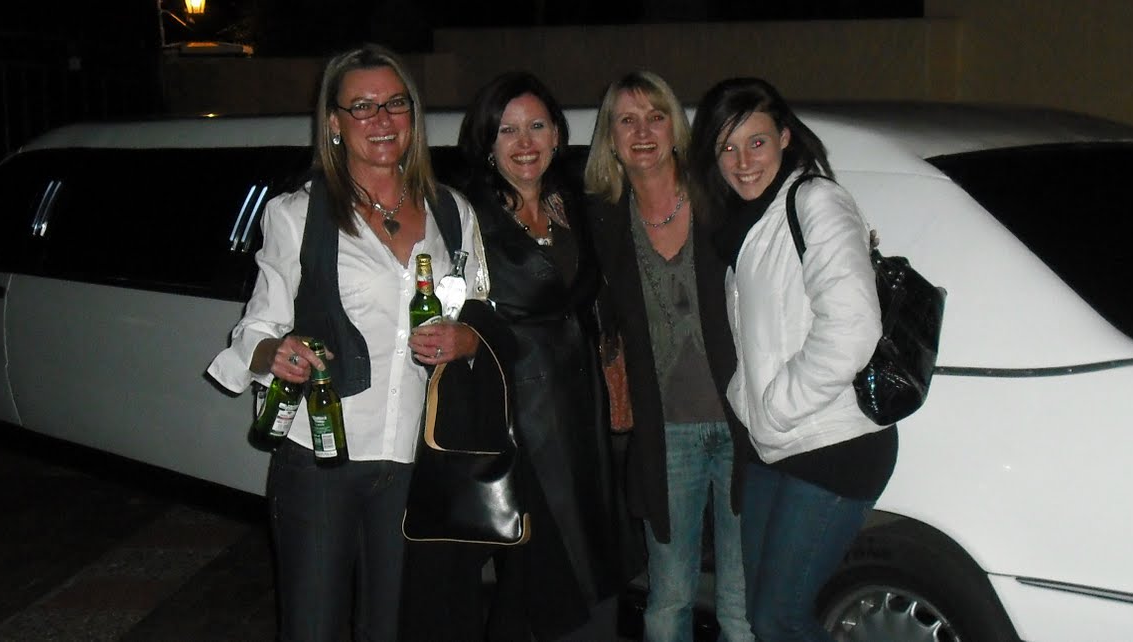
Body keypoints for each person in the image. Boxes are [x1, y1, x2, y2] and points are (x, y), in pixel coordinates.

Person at [205, 43, 491, 642]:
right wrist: (274, 353)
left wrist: (468, 338)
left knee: (393, 628)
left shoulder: (453, 212)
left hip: (416, 458)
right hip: (320, 460)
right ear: (334, 122)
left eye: (395, 104)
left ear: (412, 114)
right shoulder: (296, 214)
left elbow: (482, 313)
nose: (381, 120)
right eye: (362, 106)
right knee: (313, 627)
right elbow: (256, 328)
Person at [400, 70, 622, 641]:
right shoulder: (463, 215)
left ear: (557, 135)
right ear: (487, 143)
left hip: (581, 410)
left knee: (589, 551)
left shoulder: (573, 204)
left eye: (537, 127)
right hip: (513, 415)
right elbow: (448, 304)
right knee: (541, 566)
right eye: (508, 130)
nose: (525, 143)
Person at [686, 77, 895, 641]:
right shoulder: (745, 221)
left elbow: (852, 327)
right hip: (775, 446)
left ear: (783, 136)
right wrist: (751, 404)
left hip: (833, 443)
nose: (741, 162)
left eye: (755, 142)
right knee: (760, 615)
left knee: (780, 619)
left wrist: (776, 405)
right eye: (726, 147)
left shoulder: (815, 201)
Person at [584, 71, 754, 642]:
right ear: (610, 138)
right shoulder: (602, 221)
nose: (643, 131)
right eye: (627, 120)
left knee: (740, 608)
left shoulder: (721, 199)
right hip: (666, 435)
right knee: (669, 600)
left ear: (675, 128)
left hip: (743, 424)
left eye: (656, 116)